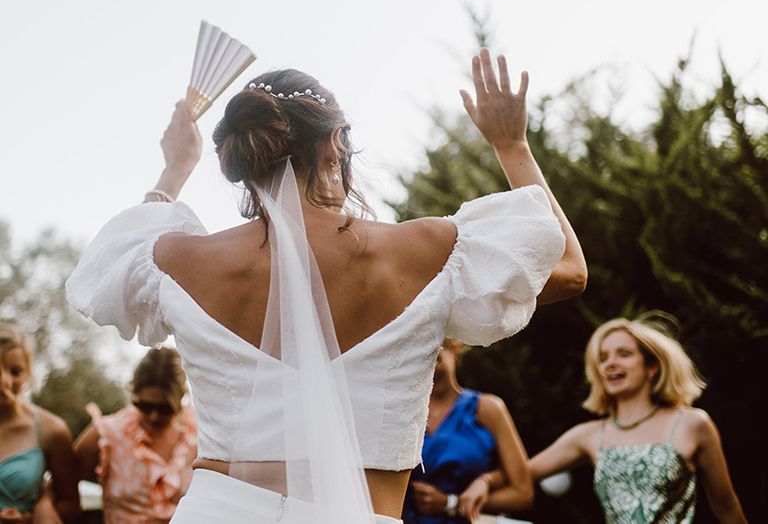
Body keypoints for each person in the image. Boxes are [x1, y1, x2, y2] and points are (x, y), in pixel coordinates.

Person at [66, 48, 587, 523]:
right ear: (334, 145)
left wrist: (175, 166)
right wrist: (512, 144)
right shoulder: (425, 251)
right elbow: (567, 267)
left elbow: (111, 268)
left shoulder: (177, 260)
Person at [529, 315, 747, 523]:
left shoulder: (692, 424)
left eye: (623, 354)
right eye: (603, 358)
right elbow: (522, 474)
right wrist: (492, 478)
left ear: (651, 367)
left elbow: (726, 507)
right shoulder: (588, 435)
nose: (609, 364)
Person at [403, 340, 533, 523]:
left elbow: (522, 493)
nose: (429, 372)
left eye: (436, 360)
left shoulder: (488, 409)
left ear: (454, 350)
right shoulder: (403, 415)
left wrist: (451, 503)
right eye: (419, 363)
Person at [74, 347, 196, 524]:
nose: (154, 417)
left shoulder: (202, 435)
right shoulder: (107, 434)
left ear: (181, 396)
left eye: (164, 408)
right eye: (145, 406)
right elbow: (61, 487)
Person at [0, 324, 80, 524]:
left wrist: (30, 518)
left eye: (15, 371)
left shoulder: (51, 430)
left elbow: (71, 506)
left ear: (28, 373)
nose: (5, 382)